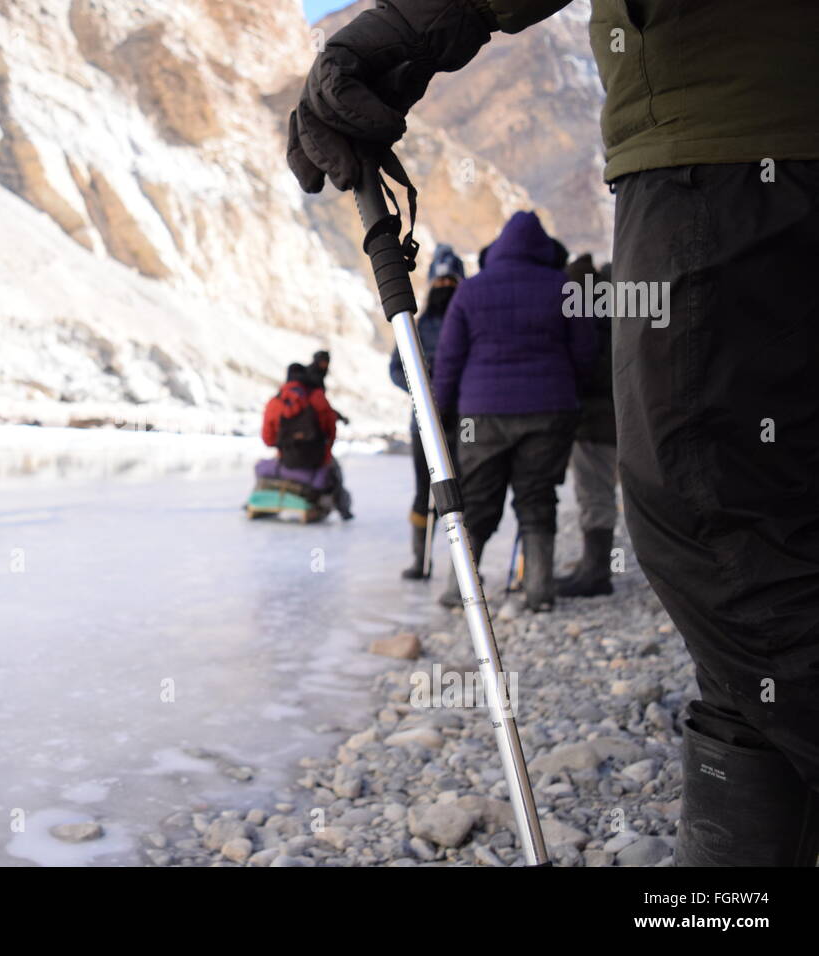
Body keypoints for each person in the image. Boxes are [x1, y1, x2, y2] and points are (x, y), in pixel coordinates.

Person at [287, 0, 819, 866]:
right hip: (751, 156)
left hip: (720, 144)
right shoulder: (552, 283)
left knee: (719, 540)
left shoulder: (477, 292)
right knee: (765, 549)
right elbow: (587, 344)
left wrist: (413, 26)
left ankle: (465, 584)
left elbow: (447, 355)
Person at [425, 211, 595, 611]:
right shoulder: (565, 287)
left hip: (481, 413)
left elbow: (449, 359)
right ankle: (539, 591)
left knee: (478, 500)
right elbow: (585, 354)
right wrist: (572, 392)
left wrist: (441, 410)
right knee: (537, 498)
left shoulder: (471, 291)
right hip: (549, 410)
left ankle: (458, 588)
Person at [390, 243, 464, 578]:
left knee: (461, 492)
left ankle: (461, 570)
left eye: (451, 284)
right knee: (425, 493)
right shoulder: (415, 326)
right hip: (425, 422)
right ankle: (420, 562)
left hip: (463, 420)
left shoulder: (469, 318)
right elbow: (395, 368)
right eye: (441, 283)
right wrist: (420, 385)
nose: (445, 289)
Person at [556, 255, 618, 597]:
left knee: (595, 495)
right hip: (612, 420)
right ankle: (592, 568)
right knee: (596, 494)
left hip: (595, 423)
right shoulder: (619, 315)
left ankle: (596, 574)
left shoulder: (592, 322)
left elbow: (591, 372)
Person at [261, 363, 352, 518]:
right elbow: (330, 433)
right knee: (335, 474)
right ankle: (343, 509)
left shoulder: (276, 402)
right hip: (316, 463)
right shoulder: (318, 398)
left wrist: (286, 446)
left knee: (260, 467)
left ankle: (261, 503)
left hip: (286, 462)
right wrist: (325, 455)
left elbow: (268, 439)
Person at [305, 351, 354, 518]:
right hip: (314, 442)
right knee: (335, 474)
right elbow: (322, 408)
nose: (325, 365)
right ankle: (343, 510)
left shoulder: (307, 380)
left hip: (308, 441)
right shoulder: (314, 381)